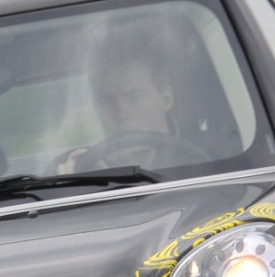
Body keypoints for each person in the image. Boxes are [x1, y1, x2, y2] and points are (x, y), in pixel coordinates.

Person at [57, 16, 202, 173]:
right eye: (108, 100)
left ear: (166, 99)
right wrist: (83, 182)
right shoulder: (89, 166)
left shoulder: (207, 160)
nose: (121, 113)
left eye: (135, 97)